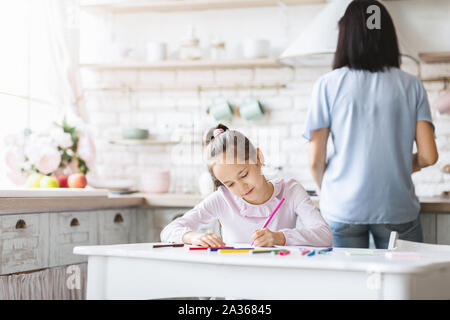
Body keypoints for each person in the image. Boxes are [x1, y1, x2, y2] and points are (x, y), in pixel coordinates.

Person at [303, 0, 438, 249]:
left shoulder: (327, 84)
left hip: (343, 207)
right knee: (404, 286)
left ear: (346, 36)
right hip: (396, 207)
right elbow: (429, 156)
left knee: (348, 287)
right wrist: (395, 167)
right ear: (388, 36)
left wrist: (329, 191)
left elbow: (314, 161)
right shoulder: (412, 85)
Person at [161, 124, 332, 247]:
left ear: (258, 158)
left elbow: (324, 236)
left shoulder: (291, 191)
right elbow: (168, 231)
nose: (241, 187)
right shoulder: (222, 199)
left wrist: (280, 237)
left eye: (243, 174)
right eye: (229, 184)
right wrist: (193, 237)